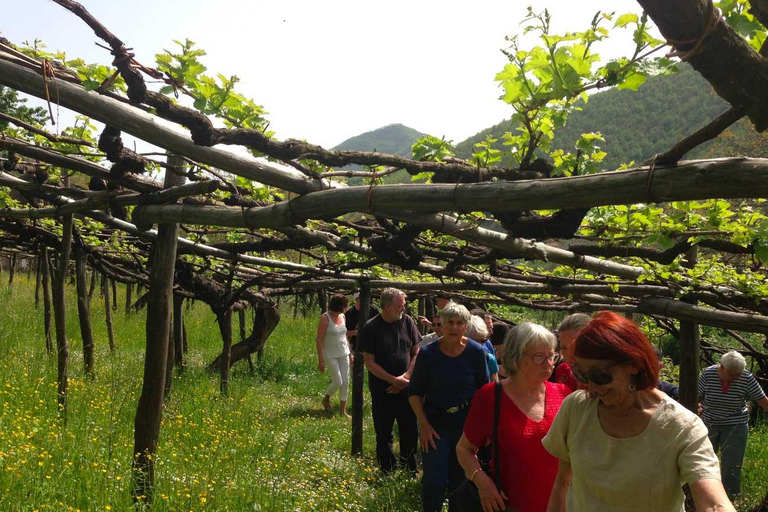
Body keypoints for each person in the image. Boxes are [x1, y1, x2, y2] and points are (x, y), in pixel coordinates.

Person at [543, 311, 734, 512]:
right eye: (581, 373)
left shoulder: (681, 426)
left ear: (633, 364)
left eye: (600, 375)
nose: (591, 386)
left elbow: (713, 503)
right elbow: (563, 483)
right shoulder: (577, 409)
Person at [457, 323, 570, 512]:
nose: (548, 364)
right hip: (510, 505)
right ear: (516, 357)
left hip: (560, 504)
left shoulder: (564, 394)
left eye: (552, 356)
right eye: (539, 357)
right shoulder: (491, 397)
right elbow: (464, 449)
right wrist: (483, 483)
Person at [409, 302, 489, 512]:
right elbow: (415, 393)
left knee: (460, 480)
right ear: (441, 326)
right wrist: (424, 425)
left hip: (465, 425)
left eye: (459, 323)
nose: (454, 327)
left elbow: (484, 393)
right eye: (450, 322)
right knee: (434, 481)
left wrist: (482, 430)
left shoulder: (476, 352)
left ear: (466, 326)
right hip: (435, 425)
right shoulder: (428, 354)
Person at [359, 287, 422, 473]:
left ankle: (409, 468)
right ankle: (387, 470)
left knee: (410, 428)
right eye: (400, 306)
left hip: (407, 388)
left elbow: (416, 353)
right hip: (383, 389)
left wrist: (406, 377)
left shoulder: (408, 322)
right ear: (387, 307)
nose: (403, 309)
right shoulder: (371, 327)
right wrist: (393, 380)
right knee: (384, 431)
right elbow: (369, 362)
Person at [698, 350, 768, 499]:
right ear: (721, 367)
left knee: (732, 467)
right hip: (709, 423)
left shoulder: (746, 377)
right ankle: (703, 496)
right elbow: (695, 397)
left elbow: (763, 401)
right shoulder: (708, 374)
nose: (736, 378)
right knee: (704, 462)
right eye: (732, 374)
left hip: (736, 425)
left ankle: (730, 499)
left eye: (738, 374)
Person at [316, 294, 354, 417]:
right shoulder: (325, 318)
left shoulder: (343, 316)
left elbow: (344, 336)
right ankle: (326, 399)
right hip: (330, 354)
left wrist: (350, 353)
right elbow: (319, 339)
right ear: (339, 306)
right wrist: (320, 360)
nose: (346, 308)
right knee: (338, 381)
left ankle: (343, 411)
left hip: (344, 352)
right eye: (345, 306)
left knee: (346, 381)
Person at [554, 313, 591, 391]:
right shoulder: (563, 371)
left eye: (576, 347)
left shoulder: (605, 378)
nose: (569, 354)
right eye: (563, 348)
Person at [467, 315, 498, 382]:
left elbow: (495, 386)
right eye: (475, 341)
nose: (480, 345)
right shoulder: (453, 355)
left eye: (483, 340)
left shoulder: (489, 359)